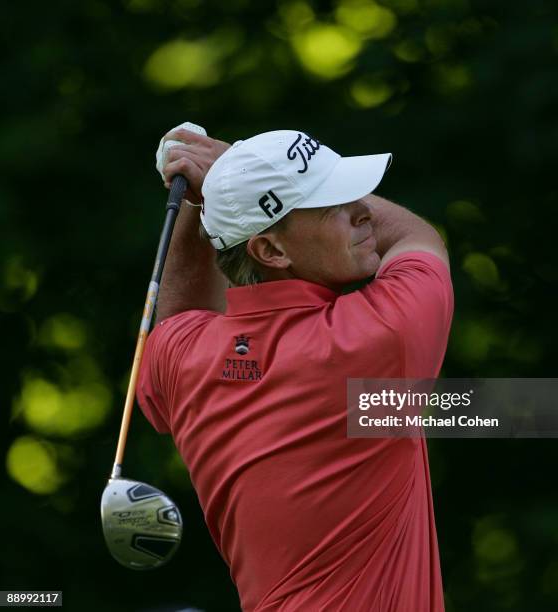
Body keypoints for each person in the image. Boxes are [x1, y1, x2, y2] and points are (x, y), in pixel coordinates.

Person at [137, 125, 453, 611]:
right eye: (335, 206)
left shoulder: (180, 355)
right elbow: (415, 235)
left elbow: (174, 322)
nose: (363, 210)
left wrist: (208, 203)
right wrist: (223, 168)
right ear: (272, 251)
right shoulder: (381, 337)